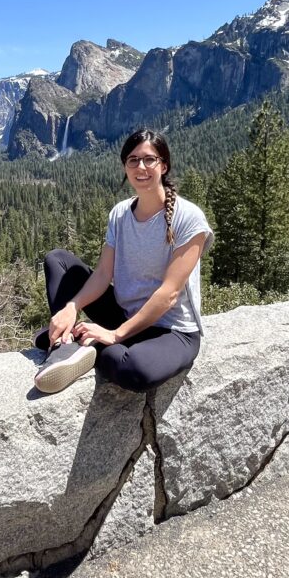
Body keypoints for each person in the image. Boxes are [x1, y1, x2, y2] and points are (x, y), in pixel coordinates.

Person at [34, 128, 214, 394]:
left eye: (149, 159)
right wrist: (72, 306)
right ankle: (65, 343)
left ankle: (87, 344)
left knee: (130, 369)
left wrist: (115, 335)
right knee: (57, 260)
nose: (141, 167)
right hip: (123, 314)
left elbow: (169, 293)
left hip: (172, 330)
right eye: (133, 160)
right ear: (125, 167)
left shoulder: (189, 218)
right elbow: (103, 274)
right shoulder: (120, 213)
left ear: (163, 166)